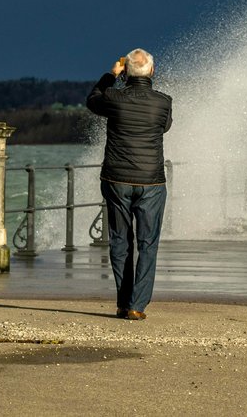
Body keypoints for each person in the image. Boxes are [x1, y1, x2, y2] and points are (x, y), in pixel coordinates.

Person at [86, 48, 173, 320]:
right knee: (148, 243)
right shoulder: (163, 102)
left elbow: (92, 100)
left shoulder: (113, 97)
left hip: (117, 179)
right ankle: (137, 304)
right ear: (152, 72)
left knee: (120, 241)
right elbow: (165, 126)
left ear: (125, 71)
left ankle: (123, 303)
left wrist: (110, 76)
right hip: (151, 182)